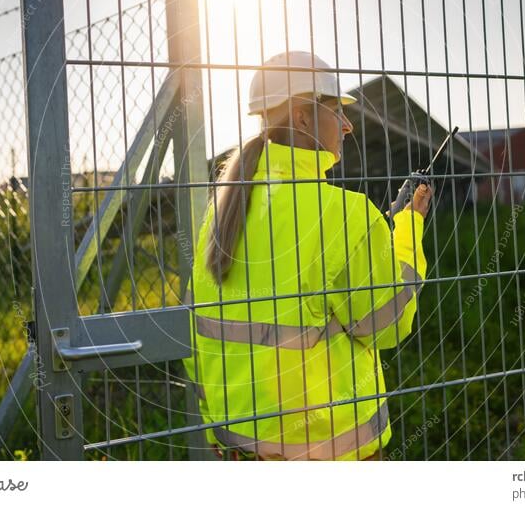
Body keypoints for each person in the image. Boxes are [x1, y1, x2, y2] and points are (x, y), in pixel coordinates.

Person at [182, 51, 432, 461]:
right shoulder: (346, 214)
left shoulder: (223, 211)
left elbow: (198, 334)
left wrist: (214, 421)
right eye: (337, 110)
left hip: (243, 452)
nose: (348, 125)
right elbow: (388, 324)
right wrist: (407, 229)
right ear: (302, 117)